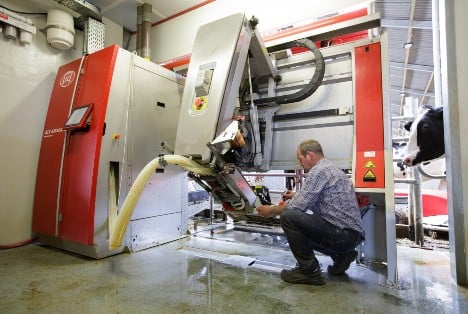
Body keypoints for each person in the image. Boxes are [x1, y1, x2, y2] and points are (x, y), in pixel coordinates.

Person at [256, 139, 364, 285]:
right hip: (351, 235)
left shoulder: (319, 171)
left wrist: (271, 210)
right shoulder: (330, 168)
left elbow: (296, 207)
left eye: (300, 159)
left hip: (342, 234)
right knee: (301, 227)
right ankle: (341, 255)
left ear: (310, 155)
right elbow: (315, 197)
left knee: (288, 217)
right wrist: (295, 196)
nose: (299, 163)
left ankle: (310, 272)